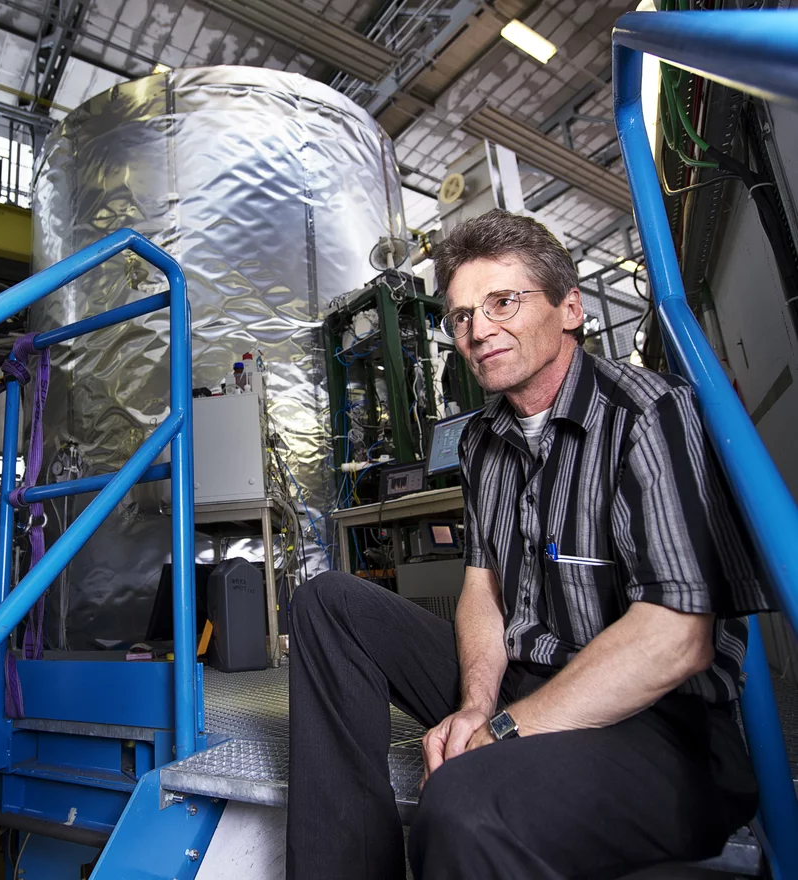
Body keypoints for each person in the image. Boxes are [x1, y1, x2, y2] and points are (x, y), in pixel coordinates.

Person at [287, 210, 771, 880]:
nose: (479, 330)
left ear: (569, 307)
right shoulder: (484, 441)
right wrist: (480, 705)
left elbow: (676, 639)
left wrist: (504, 733)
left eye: (503, 301)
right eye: (460, 316)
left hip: (658, 724)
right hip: (524, 681)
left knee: (463, 803)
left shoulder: (647, 415)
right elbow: (483, 591)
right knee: (326, 602)